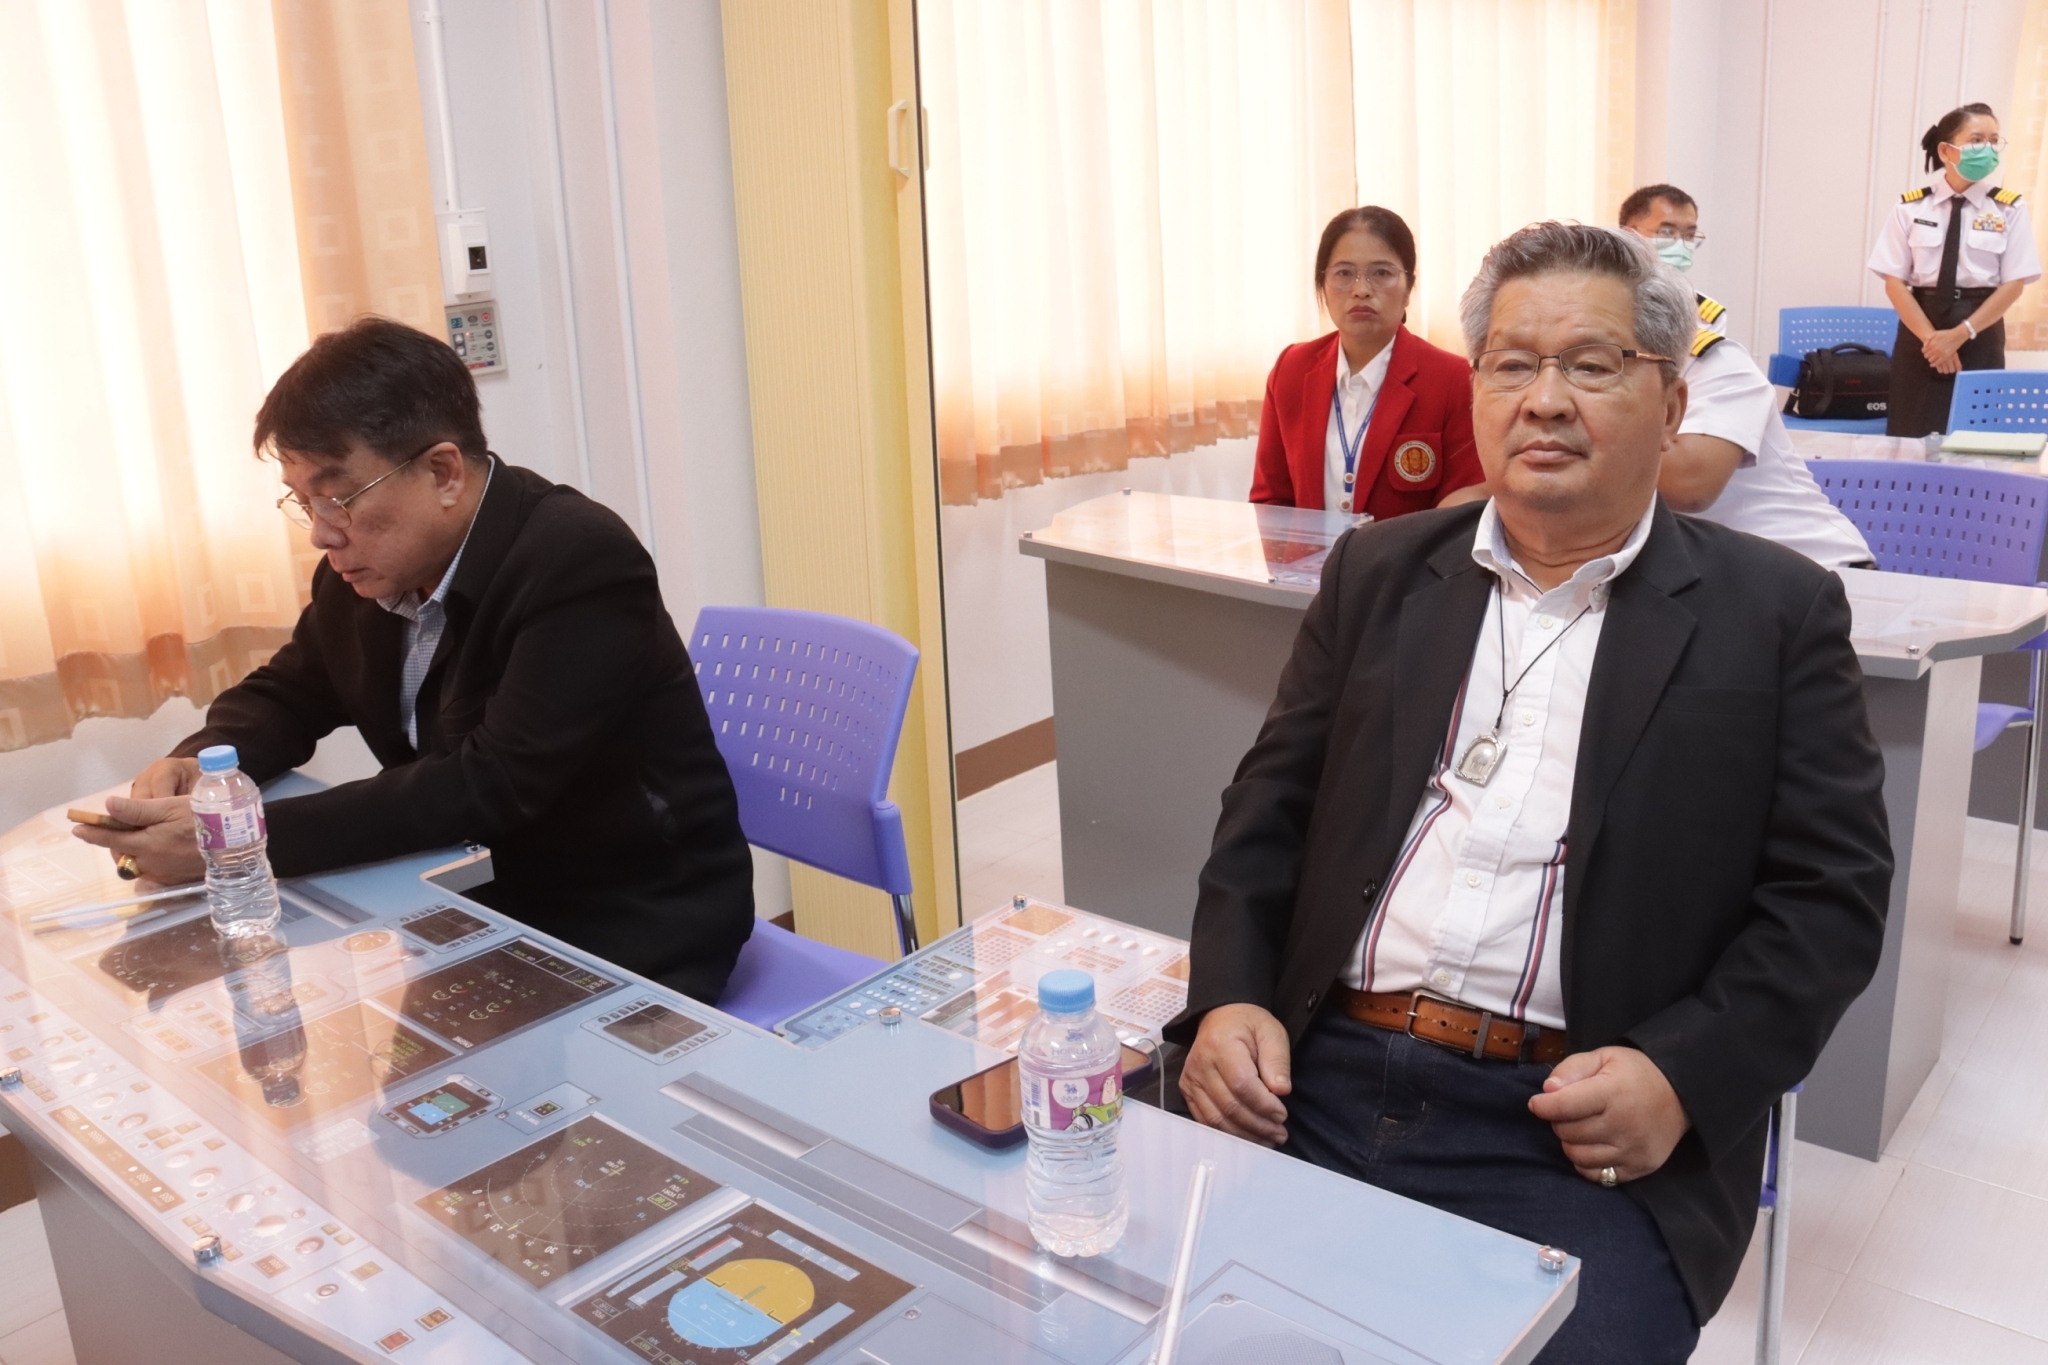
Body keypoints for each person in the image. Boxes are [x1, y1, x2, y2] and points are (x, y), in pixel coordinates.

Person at [1171, 224, 1890, 1362]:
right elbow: (1266, 812)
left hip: (1577, 1130)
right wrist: (1228, 997)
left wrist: (1679, 1074)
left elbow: (1830, 898)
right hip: (1312, 1072)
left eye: (1591, 365)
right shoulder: (1378, 574)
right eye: (1511, 364)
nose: (1543, 400)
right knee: (1134, 1310)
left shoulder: (1775, 613)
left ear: (1670, 405)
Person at [71, 318, 756, 1003]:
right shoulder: (368, 572)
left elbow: (492, 782)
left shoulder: (578, 561)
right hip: (469, 896)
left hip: (625, 920)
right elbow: (290, 692)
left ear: (442, 472)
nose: (321, 534)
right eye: (303, 501)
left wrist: (240, 838)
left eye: (337, 498)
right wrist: (206, 763)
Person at [1617, 185, 1874, 570]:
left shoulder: (1720, 363)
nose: (1680, 245)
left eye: (1688, 234)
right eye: (1667, 232)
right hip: (1718, 575)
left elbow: (1690, 487)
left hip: (1817, 570)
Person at [1250, 207, 1483, 518]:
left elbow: (1462, 508)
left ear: (1408, 289)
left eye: (1382, 273)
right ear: (1322, 285)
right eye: (1344, 273)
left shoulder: (1452, 379)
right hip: (1306, 553)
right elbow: (1270, 502)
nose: (1361, 290)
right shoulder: (1292, 369)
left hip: (1409, 552)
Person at [1869, 102, 2041, 436]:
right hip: (1921, 329)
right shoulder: (1911, 206)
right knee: (1910, 433)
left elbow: (2014, 284)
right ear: (1946, 150)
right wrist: (1933, 341)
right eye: (1977, 140)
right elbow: (1894, 282)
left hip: (1980, 327)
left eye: (1994, 140)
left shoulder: (2009, 208)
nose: (1988, 149)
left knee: (1975, 437)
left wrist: (1960, 334)